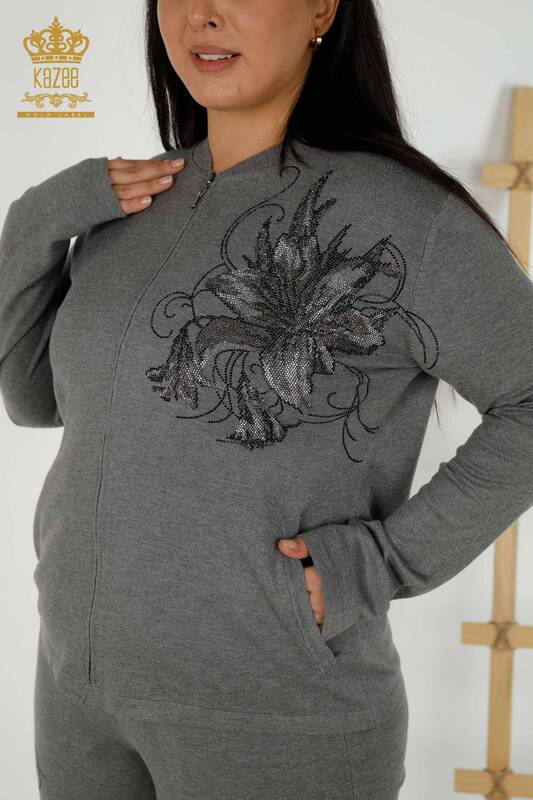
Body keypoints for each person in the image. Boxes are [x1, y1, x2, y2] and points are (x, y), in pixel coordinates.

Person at [1, 1, 533, 798]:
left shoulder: (403, 217)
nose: (202, 14)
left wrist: (380, 563)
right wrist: (34, 221)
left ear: (321, 8)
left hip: (279, 716)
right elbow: (34, 397)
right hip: (80, 702)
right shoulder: (123, 208)